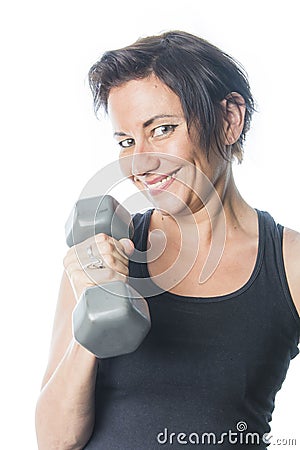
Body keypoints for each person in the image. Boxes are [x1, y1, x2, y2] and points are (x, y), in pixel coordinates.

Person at [35, 31, 300, 449]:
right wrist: (93, 313)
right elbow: (53, 441)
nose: (140, 161)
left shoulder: (290, 264)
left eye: (161, 129)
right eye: (126, 141)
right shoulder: (106, 250)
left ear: (230, 119)